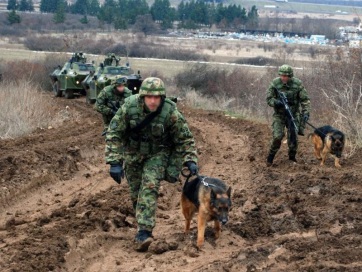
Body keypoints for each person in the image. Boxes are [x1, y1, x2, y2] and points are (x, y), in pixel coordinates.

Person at [105, 77, 198, 252]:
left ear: (162, 97)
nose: (153, 101)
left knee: (149, 186)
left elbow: (185, 138)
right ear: (142, 97)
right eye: (149, 97)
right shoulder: (129, 108)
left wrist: (190, 159)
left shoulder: (170, 112)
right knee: (136, 193)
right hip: (133, 155)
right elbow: (114, 133)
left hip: (157, 154)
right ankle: (142, 223)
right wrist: (114, 161)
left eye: (157, 97)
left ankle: (144, 232)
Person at [266, 64, 311, 166]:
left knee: (293, 136)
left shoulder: (298, 84)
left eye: (286, 76)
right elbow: (269, 99)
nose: (283, 78)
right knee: (278, 136)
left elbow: (305, 100)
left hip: (293, 114)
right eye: (282, 75)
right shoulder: (275, 83)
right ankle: (270, 157)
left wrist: (306, 113)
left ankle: (292, 157)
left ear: (290, 76)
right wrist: (276, 102)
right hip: (279, 115)